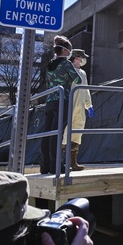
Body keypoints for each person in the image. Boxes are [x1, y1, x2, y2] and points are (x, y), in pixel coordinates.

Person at [43, 35, 77, 174]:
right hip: (62, 100)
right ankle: (56, 166)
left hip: (50, 101)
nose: (70, 53)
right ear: (64, 51)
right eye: (69, 50)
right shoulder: (66, 64)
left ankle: (45, 166)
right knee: (58, 133)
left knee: (47, 133)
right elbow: (78, 79)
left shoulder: (50, 64)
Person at [63, 49, 93, 172]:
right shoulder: (67, 71)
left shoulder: (83, 73)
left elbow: (86, 90)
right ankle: (60, 162)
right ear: (76, 57)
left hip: (80, 108)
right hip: (69, 105)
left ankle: (73, 163)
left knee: (77, 134)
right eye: (81, 57)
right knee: (64, 133)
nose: (83, 60)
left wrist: (89, 105)